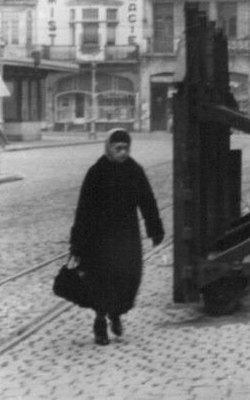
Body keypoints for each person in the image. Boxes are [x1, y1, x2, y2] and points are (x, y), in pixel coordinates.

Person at [69, 128, 164, 345]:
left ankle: (116, 313)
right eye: (118, 148)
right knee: (102, 280)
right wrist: (77, 244)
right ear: (109, 148)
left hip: (127, 236)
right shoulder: (97, 172)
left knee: (127, 278)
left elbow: (147, 200)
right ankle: (100, 322)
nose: (122, 152)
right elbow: (83, 210)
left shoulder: (134, 170)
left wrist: (155, 228)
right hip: (100, 238)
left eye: (126, 148)